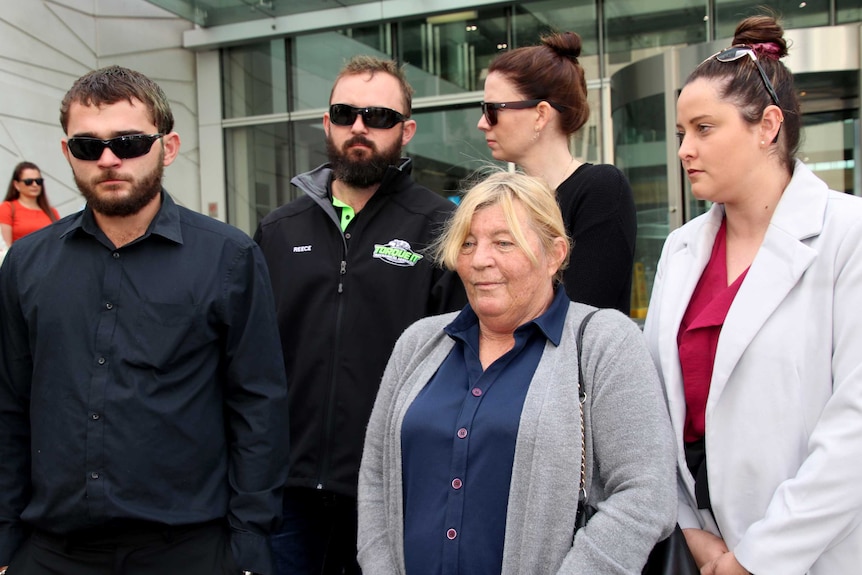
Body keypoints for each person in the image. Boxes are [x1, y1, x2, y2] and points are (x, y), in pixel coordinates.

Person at [0, 65, 289, 575]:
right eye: (88, 146)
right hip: (49, 552)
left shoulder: (229, 257)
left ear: (168, 147)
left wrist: (248, 545)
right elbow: (8, 405)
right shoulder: (27, 263)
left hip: (189, 551)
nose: (109, 159)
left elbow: (258, 406)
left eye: (129, 142)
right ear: (68, 154)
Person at [357, 171, 676, 575]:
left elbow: (647, 494)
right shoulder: (419, 344)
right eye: (468, 243)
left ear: (555, 253)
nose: (479, 259)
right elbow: (375, 478)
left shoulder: (603, 344)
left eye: (504, 243)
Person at [643, 14, 862, 575]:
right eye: (680, 134)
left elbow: (854, 432)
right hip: (700, 546)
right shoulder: (682, 248)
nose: (685, 150)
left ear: (767, 126)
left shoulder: (847, 235)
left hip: (817, 553)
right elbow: (653, 411)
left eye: (704, 129)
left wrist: (758, 558)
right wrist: (691, 531)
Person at [254, 55, 466, 575]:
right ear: (326, 122)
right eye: (345, 113)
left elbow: (461, 363)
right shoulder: (279, 229)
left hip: (392, 489)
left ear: (407, 130)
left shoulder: (441, 226)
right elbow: (249, 360)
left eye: (379, 117)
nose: (359, 128)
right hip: (287, 493)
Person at [477, 32, 636, 314]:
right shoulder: (505, 202)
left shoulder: (599, 189)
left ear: (540, 114)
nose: (482, 123)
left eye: (493, 110)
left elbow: (584, 311)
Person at [1, 161, 60, 246]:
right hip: (20, 258)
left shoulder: (52, 212)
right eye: (28, 181)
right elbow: (5, 247)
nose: (35, 185)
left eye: (38, 181)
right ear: (16, 184)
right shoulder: (7, 208)